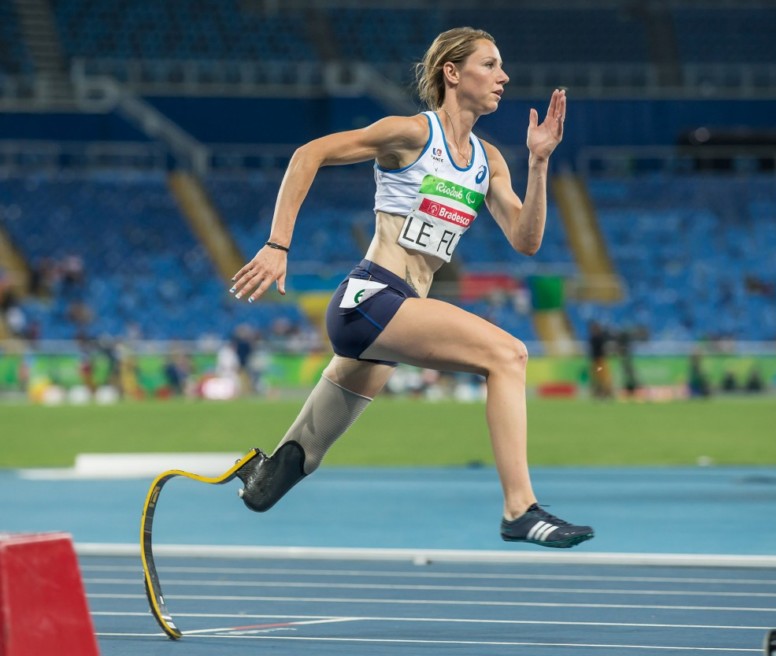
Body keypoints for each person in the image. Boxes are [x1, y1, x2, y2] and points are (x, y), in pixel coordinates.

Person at [227, 27, 593, 549]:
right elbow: (307, 154)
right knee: (508, 355)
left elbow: (526, 238)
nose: (503, 77)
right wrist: (277, 244)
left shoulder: (490, 161)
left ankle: (260, 481)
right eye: (489, 65)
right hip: (372, 297)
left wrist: (539, 163)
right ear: (452, 72)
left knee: (297, 459)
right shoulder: (412, 134)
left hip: (395, 316)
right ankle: (519, 508)